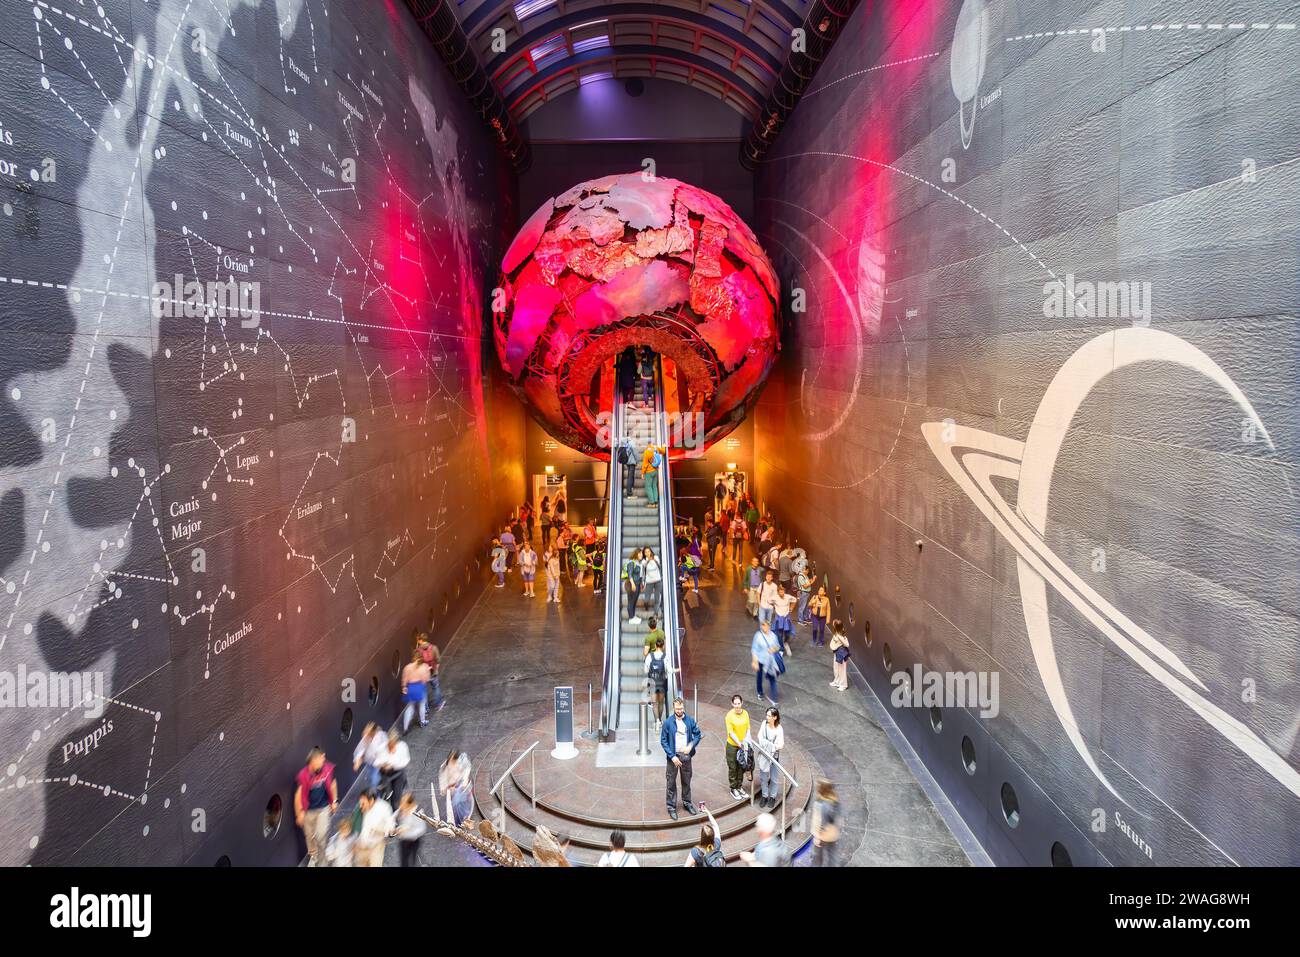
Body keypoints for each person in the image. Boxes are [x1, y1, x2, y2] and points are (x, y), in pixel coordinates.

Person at [294, 747, 338, 866]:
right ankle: (314, 856)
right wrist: (299, 813)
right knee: (309, 836)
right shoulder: (303, 775)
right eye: (321, 760)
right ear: (313, 760)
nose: (323, 762)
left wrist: (334, 800)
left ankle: (322, 861)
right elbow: (298, 795)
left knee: (320, 834)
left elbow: (333, 784)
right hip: (308, 811)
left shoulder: (327, 769)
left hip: (323, 808)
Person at [660, 696, 702, 821]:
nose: (679, 711)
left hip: (686, 756)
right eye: (677, 708)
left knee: (686, 781)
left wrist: (691, 746)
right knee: (671, 782)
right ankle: (671, 807)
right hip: (673, 757)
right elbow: (663, 741)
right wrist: (672, 756)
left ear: (683, 707)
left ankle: (687, 803)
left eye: (681, 708)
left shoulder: (689, 720)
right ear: (674, 708)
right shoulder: (668, 722)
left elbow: (698, 734)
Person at [354, 788, 395, 867]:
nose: (360, 805)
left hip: (376, 848)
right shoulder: (362, 808)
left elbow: (391, 827)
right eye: (360, 802)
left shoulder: (384, 808)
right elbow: (360, 826)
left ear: (371, 800)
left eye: (363, 803)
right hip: (362, 847)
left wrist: (379, 830)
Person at [755, 707, 785, 810]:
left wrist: (772, 746)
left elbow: (781, 744)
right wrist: (772, 745)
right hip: (764, 755)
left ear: (775, 717)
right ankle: (764, 795)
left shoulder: (779, 728)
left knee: (774, 778)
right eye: (766, 715)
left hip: (774, 756)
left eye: (769, 716)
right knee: (763, 777)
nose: (767, 717)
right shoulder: (764, 724)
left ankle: (772, 796)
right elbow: (760, 737)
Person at [725, 694, 751, 801]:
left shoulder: (745, 713)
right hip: (733, 745)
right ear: (732, 704)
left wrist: (746, 741)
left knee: (741, 767)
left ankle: (739, 787)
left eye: (738, 703)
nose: (737, 706)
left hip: (743, 744)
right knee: (733, 767)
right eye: (735, 704)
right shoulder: (729, 716)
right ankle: (733, 788)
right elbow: (730, 732)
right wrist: (739, 743)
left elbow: (748, 728)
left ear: (742, 702)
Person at [375, 728, 410, 807]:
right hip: (386, 774)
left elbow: (406, 760)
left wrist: (392, 765)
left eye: (393, 743)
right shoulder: (382, 748)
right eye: (389, 743)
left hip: (398, 774)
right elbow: (376, 761)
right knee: (385, 797)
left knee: (396, 799)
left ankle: (395, 812)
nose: (391, 745)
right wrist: (383, 765)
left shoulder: (402, 746)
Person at [439, 749, 473, 826]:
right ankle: (459, 820)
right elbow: (442, 777)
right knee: (455, 804)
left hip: (460, 785)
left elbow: (466, 770)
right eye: (451, 758)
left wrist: (464, 781)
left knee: (457, 803)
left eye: (454, 759)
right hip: (451, 787)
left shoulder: (460, 763)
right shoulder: (444, 766)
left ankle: (461, 821)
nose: (452, 760)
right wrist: (444, 787)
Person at [811, 779, 842, 866]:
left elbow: (821, 823)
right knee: (832, 855)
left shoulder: (820, 804)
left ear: (821, 789)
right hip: (833, 834)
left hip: (823, 836)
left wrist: (817, 837)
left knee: (817, 857)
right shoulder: (835, 800)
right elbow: (839, 817)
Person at [393, 792, 427, 868]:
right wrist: (396, 829)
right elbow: (393, 818)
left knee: (413, 861)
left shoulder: (418, 812)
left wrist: (407, 831)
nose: (401, 805)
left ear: (410, 804)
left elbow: (421, 829)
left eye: (403, 803)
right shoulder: (401, 810)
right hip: (403, 841)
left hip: (414, 841)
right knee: (404, 862)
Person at [400, 651, 431, 733]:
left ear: (413, 658)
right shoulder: (424, 666)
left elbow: (404, 680)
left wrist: (404, 687)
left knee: (410, 707)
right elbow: (426, 680)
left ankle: (405, 728)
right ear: (421, 658)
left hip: (410, 688)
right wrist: (428, 671)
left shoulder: (407, 667)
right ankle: (422, 721)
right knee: (422, 705)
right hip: (419, 688)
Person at [751, 620, 780, 704]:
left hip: (770, 661)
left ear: (769, 626)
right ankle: (760, 692)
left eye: (766, 625)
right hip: (760, 660)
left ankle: (774, 698)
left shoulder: (773, 636)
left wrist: (774, 649)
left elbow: (778, 646)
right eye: (762, 625)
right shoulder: (758, 636)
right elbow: (754, 649)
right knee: (759, 677)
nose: (764, 627)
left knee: (772, 678)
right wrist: (754, 661)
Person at [352, 721, 385, 791]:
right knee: (375, 777)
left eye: (367, 735)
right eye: (365, 735)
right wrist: (357, 762)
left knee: (374, 780)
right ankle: (380, 789)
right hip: (370, 763)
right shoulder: (364, 740)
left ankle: (378, 793)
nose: (365, 737)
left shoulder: (380, 736)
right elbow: (359, 752)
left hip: (379, 761)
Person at [645, 636, 669, 728]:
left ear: (655, 645)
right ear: (663, 646)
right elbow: (668, 670)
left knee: (654, 703)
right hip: (662, 682)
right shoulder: (665, 657)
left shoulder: (649, 656)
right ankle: (660, 719)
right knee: (661, 703)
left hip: (652, 682)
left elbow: (646, 670)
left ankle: (657, 721)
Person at [772, 584, 796, 657]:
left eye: (783, 592)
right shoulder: (774, 598)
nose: (781, 594)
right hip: (779, 618)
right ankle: (781, 649)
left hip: (786, 618)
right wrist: (774, 608)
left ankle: (785, 642)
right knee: (779, 634)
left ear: (784, 592)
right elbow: (769, 601)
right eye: (780, 592)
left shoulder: (788, 597)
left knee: (787, 633)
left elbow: (795, 600)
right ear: (778, 592)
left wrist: (791, 607)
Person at [622, 548, 643, 623]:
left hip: (637, 584)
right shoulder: (631, 562)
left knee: (634, 601)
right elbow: (630, 575)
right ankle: (631, 618)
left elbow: (639, 575)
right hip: (631, 585)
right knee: (631, 601)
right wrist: (633, 584)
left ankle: (633, 616)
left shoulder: (638, 562)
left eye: (641, 553)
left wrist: (640, 584)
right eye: (639, 553)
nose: (641, 555)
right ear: (635, 554)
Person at [830, 619, 851, 691]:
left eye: (833, 623)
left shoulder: (840, 635)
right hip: (837, 653)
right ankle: (837, 681)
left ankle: (843, 685)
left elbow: (847, 644)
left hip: (841, 654)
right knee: (836, 668)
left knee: (842, 669)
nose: (832, 623)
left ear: (836, 626)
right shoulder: (836, 633)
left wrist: (840, 639)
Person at [641, 547, 663, 615]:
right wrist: (648, 561)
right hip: (649, 582)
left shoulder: (656, 557)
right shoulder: (644, 561)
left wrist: (655, 560)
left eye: (649, 551)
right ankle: (646, 605)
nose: (647, 553)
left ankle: (655, 613)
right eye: (646, 552)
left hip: (657, 580)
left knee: (657, 598)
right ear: (644, 554)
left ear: (651, 552)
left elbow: (660, 566)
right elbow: (643, 569)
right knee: (646, 599)